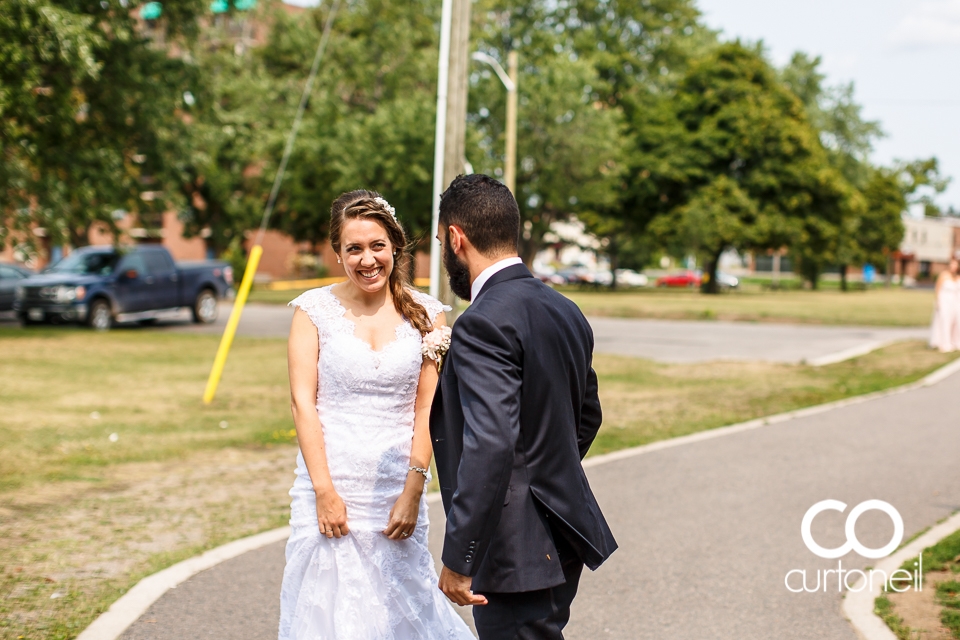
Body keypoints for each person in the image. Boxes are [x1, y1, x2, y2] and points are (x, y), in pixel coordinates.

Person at [278, 191, 474, 640]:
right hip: (329, 486)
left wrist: (413, 488)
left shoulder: (429, 315)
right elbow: (302, 403)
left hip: (395, 491)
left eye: (377, 246)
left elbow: (429, 407)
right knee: (328, 615)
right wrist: (324, 491)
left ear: (395, 246)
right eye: (354, 249)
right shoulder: (312, 311)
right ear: (338, 252)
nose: (367, 260)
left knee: (401, 613)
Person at [431, 174, 617, 639]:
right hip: (562, 534)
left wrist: (460, 557)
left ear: (457, 238)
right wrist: (544, 473)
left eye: (439, 243)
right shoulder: (564, 308)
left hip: (516, 550)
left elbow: (490, 443)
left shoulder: (482, 322)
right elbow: (587, 416)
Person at [930, 256, 960, 353]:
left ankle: (954, 341)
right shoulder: (943, 275)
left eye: (954, 264)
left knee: (955, 322)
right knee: (945, 321)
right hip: (944, 301)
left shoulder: (957, 276)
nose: (952, 266)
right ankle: (944, 343)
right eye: (951, 264)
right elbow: (937, 289)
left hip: (954, 302)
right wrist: (938, 302)